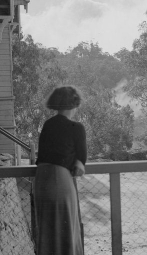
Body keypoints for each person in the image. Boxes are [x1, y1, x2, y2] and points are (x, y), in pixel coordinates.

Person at [34, 86, 87, 255]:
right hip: (60, 179)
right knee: (66, 225)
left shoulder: (48, 125)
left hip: (41, 179)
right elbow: (82, 156)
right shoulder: (76, 127)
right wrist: (78, 162)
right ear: (74, 104)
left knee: (47, 228)